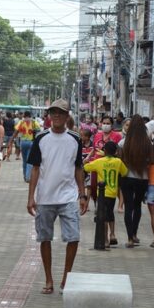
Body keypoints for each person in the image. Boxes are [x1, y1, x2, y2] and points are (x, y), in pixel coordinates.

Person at [26, 99, 88, 294]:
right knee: (45, 238)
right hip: (45, 197)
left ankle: (66, 277)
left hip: (68, 196)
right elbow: (35, 169)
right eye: (53, 112)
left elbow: (79, 168)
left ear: (67, 115)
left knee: (74, 237)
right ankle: (48, 279)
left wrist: (82, 194)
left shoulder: (75, 139)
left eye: (61, 112)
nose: (57, 116)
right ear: (49, 115)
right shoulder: (41, 137)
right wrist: (31, 197)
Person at [83, 141, 127, 248]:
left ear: (104, 151)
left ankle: (106, 239)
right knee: (110, 213)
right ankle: (112, 234)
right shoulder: (118, 161)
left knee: (103, 216)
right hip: (112, 193)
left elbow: (86, 167)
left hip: (102, 194)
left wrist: (86, 160)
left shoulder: (99, 162)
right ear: (115, 151)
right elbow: (125, 172)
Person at [119, 115, 152, 248]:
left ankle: (129, 238)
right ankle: (134, 234)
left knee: (128, 207)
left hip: (126, 177)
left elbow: (119, 160)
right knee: (137, 206)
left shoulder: (123, 142)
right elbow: (150, 161)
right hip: (142, 179)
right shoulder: (147, 143)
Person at [10, 111, 41, 182]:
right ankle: (28, 177)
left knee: (24, 160)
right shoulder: (34, 122)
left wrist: (11, 141)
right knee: (29, 160)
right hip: (31, 142)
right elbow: (39, 131)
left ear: (24, 115)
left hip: (23, 142)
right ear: (30, 115)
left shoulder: (21, 122)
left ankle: (25, 176)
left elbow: (16, 132)